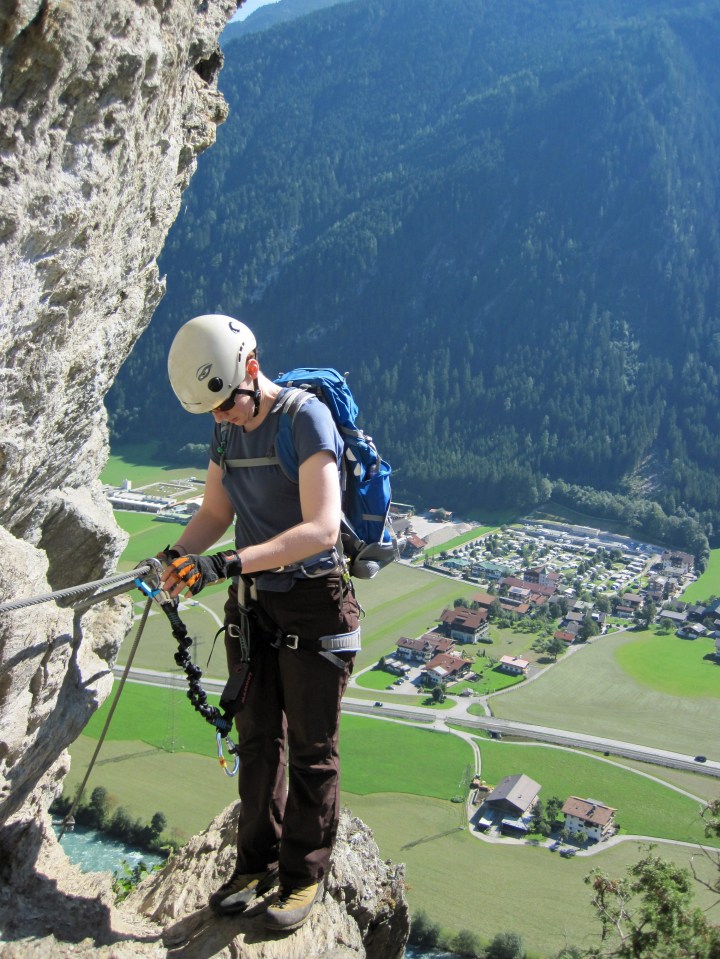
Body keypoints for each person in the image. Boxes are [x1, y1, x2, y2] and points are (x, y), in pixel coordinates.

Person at [160, 314, 360, 932]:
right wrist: (176, 556)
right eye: (212, 411)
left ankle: (302, 877)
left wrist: (224, 563)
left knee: (310, 747)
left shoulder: (304, 420)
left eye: (228, 404)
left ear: (252, 368)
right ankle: (255, 864)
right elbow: (216, 510)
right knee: (256, 743)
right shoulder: (226, 430)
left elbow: (321, 528)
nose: (222, 418)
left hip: (313, 600)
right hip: (253, 604)